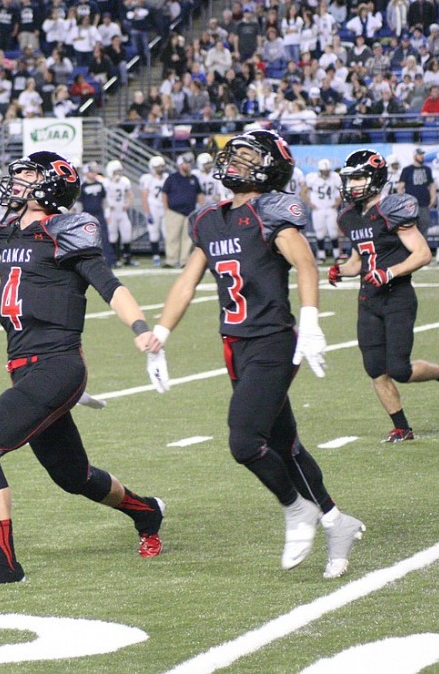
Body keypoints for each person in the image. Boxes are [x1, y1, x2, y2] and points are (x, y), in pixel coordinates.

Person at [0, 151, 167, 586]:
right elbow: (6, 275)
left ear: (51, 185)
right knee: (73, 476)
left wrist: (141, 329)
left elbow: (110, 286)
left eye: (29, 175)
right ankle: (146, 512)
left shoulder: (65, 232)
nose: (18, 182)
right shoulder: (17, 234)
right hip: (25, 366)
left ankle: (5, 566)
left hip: (57, 364)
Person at [152, 130, 365, 579]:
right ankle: (335, 521)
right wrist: (160, 332)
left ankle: (297, 509)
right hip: (235, 343)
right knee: (284, 443)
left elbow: (305, 263)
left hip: (271, 338)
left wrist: (310, 321)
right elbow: (188, 281)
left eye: (247, 156)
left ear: (269, 168)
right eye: (235, 154)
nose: (234, 161)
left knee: (245, 441)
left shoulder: (271, 209)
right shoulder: (208, 217)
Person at [329, 149, 439, 442]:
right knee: (375, 368)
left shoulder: (392, 208)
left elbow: (423, 253)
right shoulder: (350, 217)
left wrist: (391, 272)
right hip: (368, 300)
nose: (352, 186)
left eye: (358, 178)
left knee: (399, 369)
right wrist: (341, 270)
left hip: (397, 297)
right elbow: (359, 260)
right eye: (349, 180)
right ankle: (402, 427)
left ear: (375, 178)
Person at [161, 154, 204, 269]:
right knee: (172, 237)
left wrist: (201, 208)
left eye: (189, 163)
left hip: (189, 212)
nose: (188, 165)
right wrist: (166, 209)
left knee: (187, 238)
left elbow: (199, 194)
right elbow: (164, 194)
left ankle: (184, 260)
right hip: (174, 212)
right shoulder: (172, 178)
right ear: (180, 165)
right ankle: (171, 260)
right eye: (186, 163)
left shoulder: (193, 179)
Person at [302, 159, 343, 262]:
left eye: (327, 171)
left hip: (330, 208)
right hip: (318, 209)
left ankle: (336, 255)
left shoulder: (335, 177)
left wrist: (338, 202)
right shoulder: (313, 178)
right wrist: (310, 203)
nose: (326, 173)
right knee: (320, 233)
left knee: (333, 232)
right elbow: (303, 192)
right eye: (324, 171)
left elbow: (342, 191)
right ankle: (321, 255)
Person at [104, 159, 137, 266]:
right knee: (112, 236)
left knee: (127, 234)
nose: (118, 174)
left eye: (119, 171)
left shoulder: (124, 181)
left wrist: (128, 204)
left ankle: (127, 258)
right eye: (115, 171)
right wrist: (107, 207)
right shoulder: (105, 183)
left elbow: (130, 194)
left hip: (121, 211)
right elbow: (103, 198)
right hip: (111, 212)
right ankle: (115, 259)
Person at [397, 148, 435, 233]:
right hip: (411, 205)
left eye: (422, 154)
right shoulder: (407, 170)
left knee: (424, 227)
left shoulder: (427, 169)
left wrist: (433, 198)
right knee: (411, 228)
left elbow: (432, 185)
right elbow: (400, 187)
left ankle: (423, 246)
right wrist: (403, 202)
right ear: (415, 156)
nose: (422, 156)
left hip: (424, 204)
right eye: (420, 154)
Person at [140, 156, 168, 266]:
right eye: (158, 167)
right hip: (153, 208)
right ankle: (156, 256)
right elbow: (144, 197)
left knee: (167, 234)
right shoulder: (148, 179)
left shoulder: (166, 177)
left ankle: (168, 256)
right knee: (154, 233)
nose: (160, 168)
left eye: (161, 166)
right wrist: (147, 213)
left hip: (164, 207)